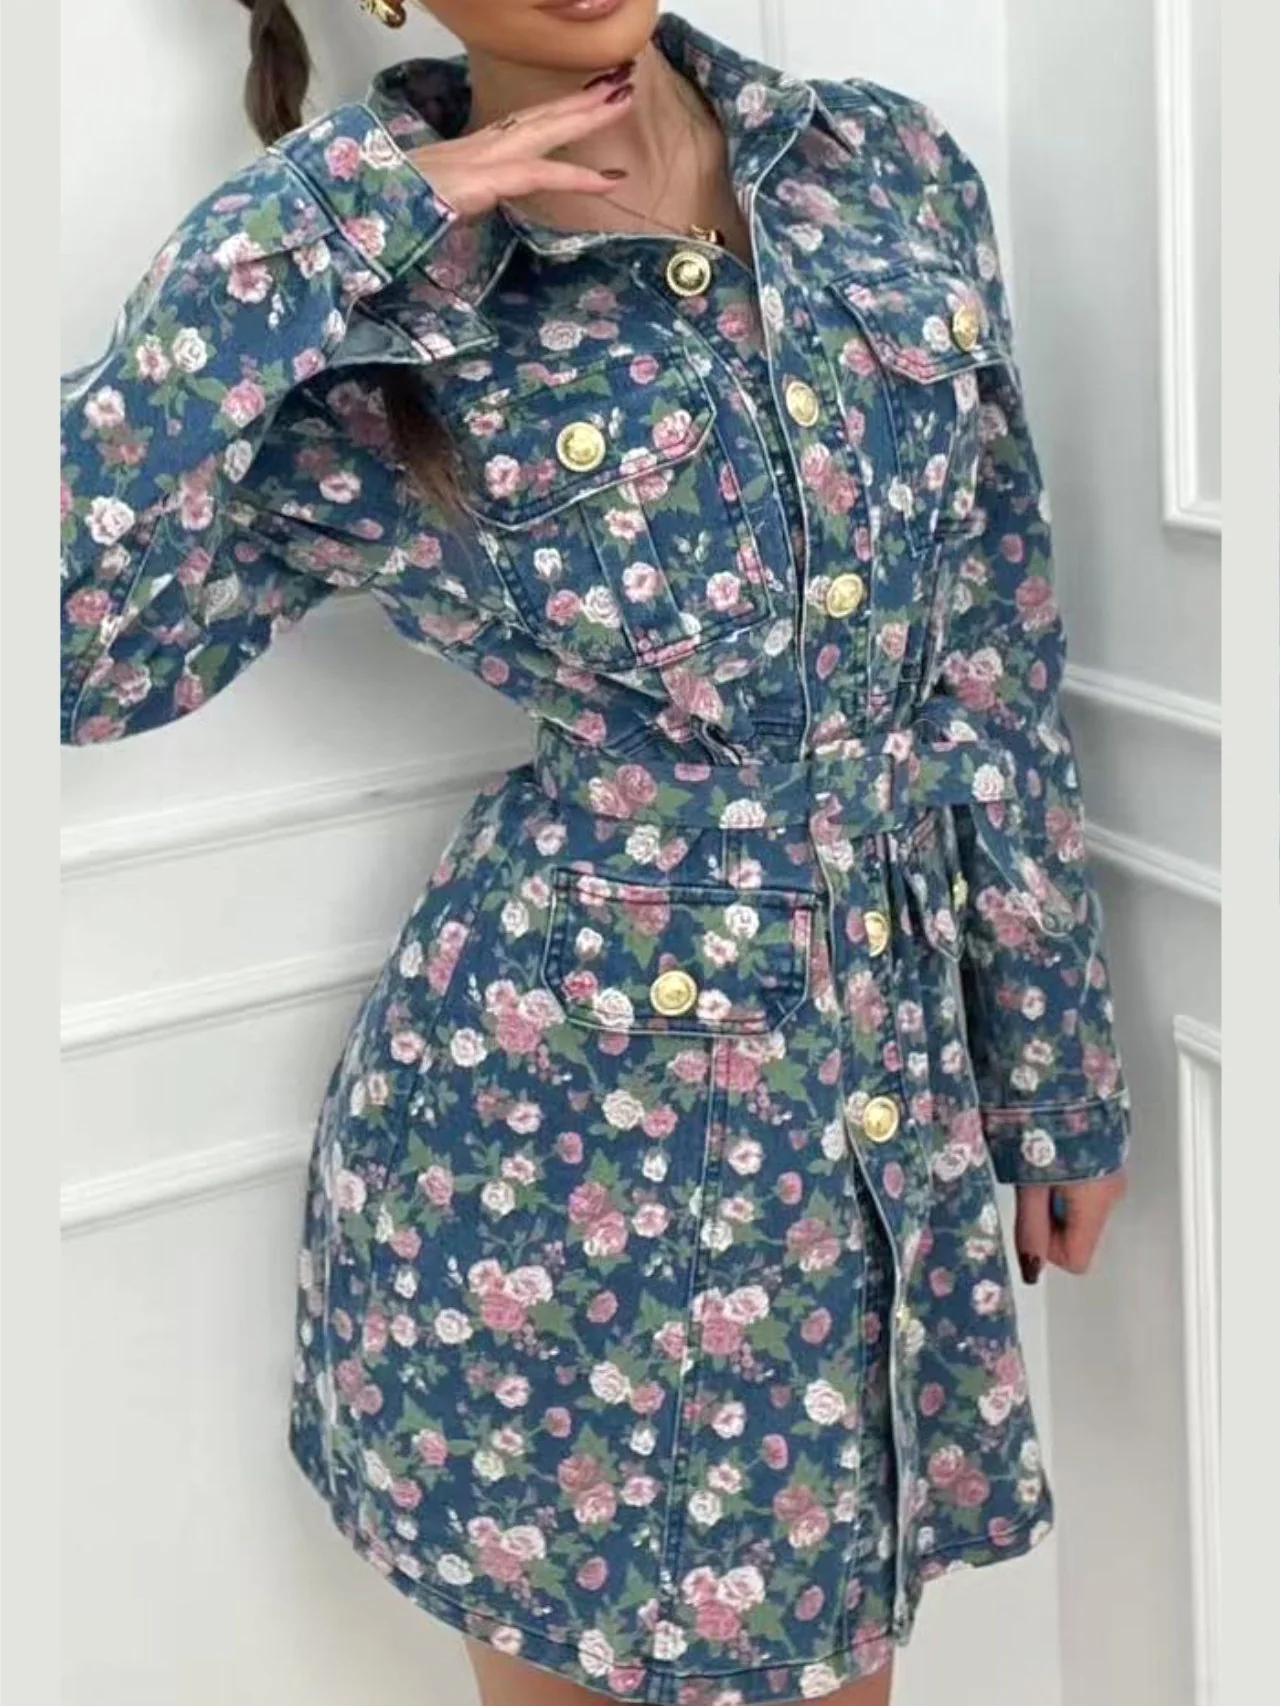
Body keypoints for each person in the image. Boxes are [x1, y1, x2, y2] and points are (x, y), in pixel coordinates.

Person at [59, 3, 1132, 1702]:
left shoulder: (886, 168)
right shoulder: (377, 283)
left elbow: (992, 651)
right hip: (550, 1161)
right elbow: (72, 655)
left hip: (878, 1080)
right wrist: (321, 225)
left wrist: (1057, 1065)